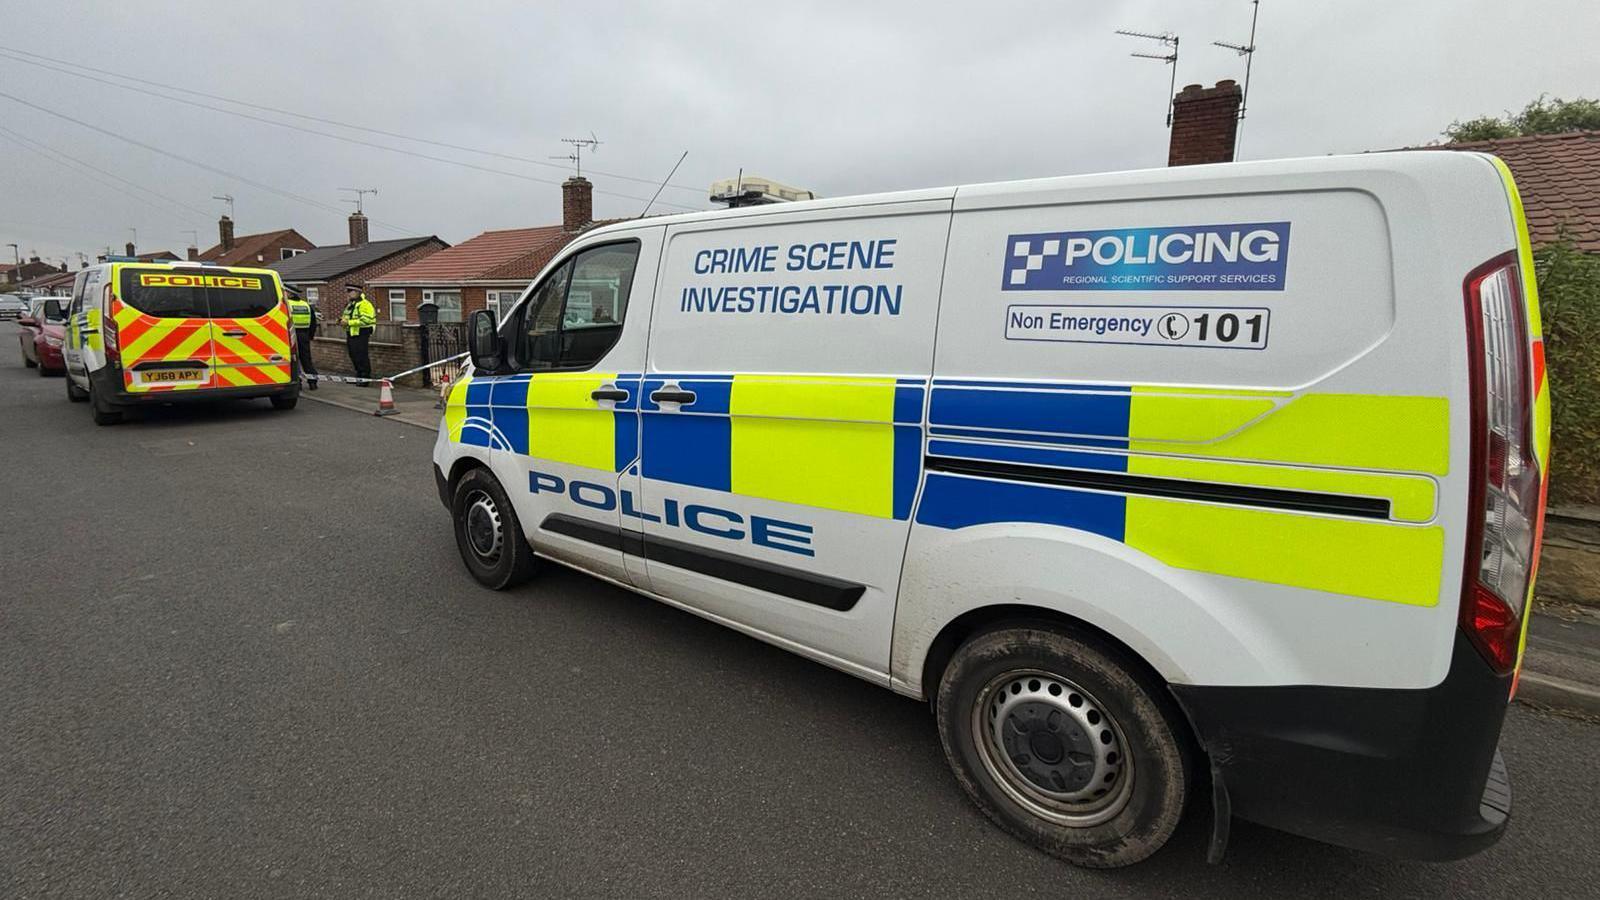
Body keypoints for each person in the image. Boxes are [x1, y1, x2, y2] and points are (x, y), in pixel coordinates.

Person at [340, 284, 377, 384]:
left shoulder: (365, 304)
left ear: (357, 292)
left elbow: (366, 320)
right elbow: (347, 317)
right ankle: (358, 376)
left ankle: (365, 378)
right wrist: (341, 321)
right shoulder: (350, 304)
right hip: (352, 332)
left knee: (361, 356)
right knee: (353, 355)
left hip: (362, 333)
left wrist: (348, 323)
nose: (348, 294)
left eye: (350, 292)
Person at [285, 286, 319, 391]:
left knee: (294, 359)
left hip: (291, 335)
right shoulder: (306, 305)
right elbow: (313, 323)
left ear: (290, 294)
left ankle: (298, 382)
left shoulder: (287, 305)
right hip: (304, 334)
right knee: (306, 359)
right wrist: (310, 336)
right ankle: (313, 382)